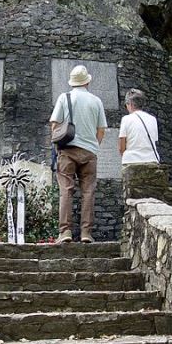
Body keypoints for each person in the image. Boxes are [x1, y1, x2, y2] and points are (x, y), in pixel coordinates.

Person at [50, 65, 107, 243]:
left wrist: (58, 147)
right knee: (88, 192)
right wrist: (92, 146)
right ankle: (85, 233)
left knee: (66, 191)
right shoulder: (96, 101)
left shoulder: (64, 98)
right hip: (89, 152)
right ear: (87, 81)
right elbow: (101, 130)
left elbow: (54, 124)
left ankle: (65, 232)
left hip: (67, 150)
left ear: (72, 82)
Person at [118, 88, 160, 165]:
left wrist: (126, 156)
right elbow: (154, 141)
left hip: (131, 161)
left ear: (130, 104)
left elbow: (121, 147)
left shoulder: (126, 119)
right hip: (151, 160)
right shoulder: (153, 119)